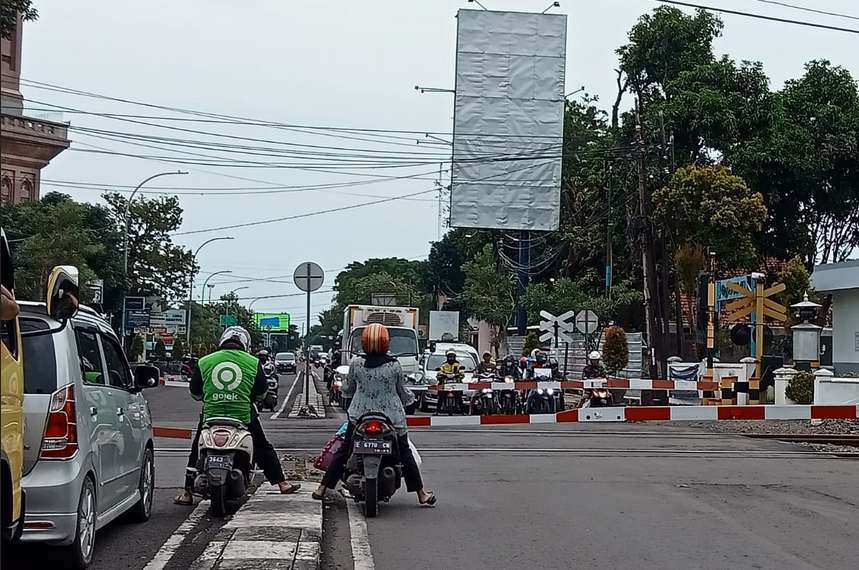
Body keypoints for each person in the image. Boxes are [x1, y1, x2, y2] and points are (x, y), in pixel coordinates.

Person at [175, 326, 300, 506]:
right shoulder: (252, 361)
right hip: (243, 416)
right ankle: (282, 483)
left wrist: (211, 397)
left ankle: (187, 493)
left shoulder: (205, 361)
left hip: (212, 416)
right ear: (245, 344)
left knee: (196, 449)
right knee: (262, 448)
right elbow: (262, 392)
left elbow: (195, 393)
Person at [313, 323, 435, 506]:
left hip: (360, 415)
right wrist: (411, 401)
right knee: (404, 452)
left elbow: (348, 389)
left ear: (364, 343)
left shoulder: (356, 364)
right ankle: (421, 494)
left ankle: (322, 489)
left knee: (344, 449)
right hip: (392, 416)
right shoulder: (394, 366)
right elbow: (402, 392)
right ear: (386, 343)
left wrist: (344, 392)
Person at [436, 350, 465, 414]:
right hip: (446, 381)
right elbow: (440, 371)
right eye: (449, 357)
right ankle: (437, 411)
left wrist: (460, 374)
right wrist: (442, 374)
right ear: (447, 357)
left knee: (459, 395)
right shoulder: (444, 365)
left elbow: (461, 371)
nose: (451, 358)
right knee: (441, 395)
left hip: (455, 382)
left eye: (452, 357)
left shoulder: (457, 365)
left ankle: (463, 411)